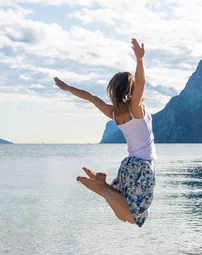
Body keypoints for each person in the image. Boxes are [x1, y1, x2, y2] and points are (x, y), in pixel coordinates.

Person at [53, 38, 156, 227]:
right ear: (131, 91)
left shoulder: (114, 113)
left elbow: (92, 98)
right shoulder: (135, 108)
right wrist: (140, 60)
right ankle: (102, 188)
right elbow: (141, 82)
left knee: (123, 214)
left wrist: (68, 88)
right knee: (134, 217)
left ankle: (103, 184)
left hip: (128, 165)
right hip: (141, 166)